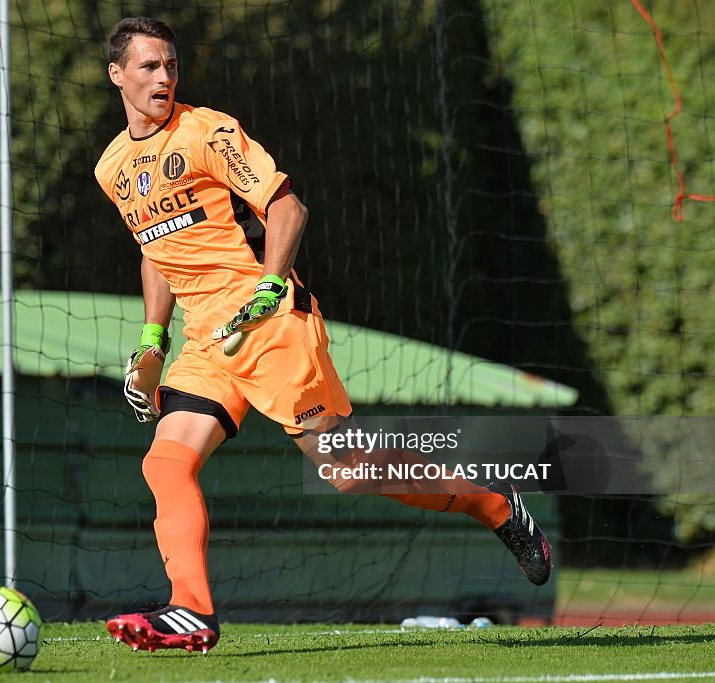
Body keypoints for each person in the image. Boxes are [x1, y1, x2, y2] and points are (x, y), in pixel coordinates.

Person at [94, 16, 551, 654]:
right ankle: (191, 610)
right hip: (205, 341)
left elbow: (288, 207)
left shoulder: (208, 131)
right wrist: (151, 339)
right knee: (165, 463)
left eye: (170, 64)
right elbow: (155, 250)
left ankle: (492, 504)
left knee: (341, 467)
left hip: (269, 321)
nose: (164, 77)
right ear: (118, 75)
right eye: (148, 67)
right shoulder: (112, 165)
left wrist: (271, 286)